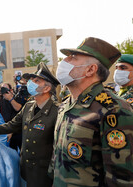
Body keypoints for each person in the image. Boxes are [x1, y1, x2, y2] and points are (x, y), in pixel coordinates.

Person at [49, 37, 133, 186]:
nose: (65, 61)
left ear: (90, 69)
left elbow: (121, 179)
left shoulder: (114, 109)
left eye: (73, 57)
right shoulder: (66, 104)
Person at [0, 62, 60, 187]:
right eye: (31, 80)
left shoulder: (57, 111)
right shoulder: (29, 106)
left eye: (36, 80)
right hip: (26, 170)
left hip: (45, 175)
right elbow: (11, 126)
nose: (30, 83)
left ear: (46, 88)